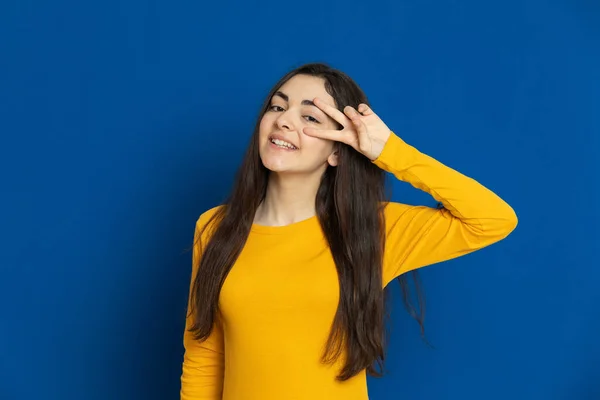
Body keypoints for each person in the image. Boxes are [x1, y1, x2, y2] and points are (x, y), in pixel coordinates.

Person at [180, 62, 518, 400]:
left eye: (310, 117)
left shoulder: (373, 230)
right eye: (277, 106)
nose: (283, 120)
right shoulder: (213, 227)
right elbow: (204, 354)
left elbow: (493, 218)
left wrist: (390, 152)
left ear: (338, 151)